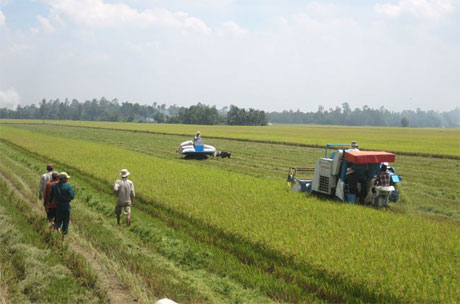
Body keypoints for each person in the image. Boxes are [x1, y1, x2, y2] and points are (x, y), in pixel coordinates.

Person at [50, 172, 74, 240]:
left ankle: (56, 233)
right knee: (65, 221)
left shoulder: (54, 186)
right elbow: (72, 196)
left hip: (58, 206)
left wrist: (49, 203)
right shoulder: (68, 186)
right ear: (63, 179)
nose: (67, 179)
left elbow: (51, 197)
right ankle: (63, 237)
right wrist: (68, 198)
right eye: (66, 178)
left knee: (58, 220)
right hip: (66, 206)